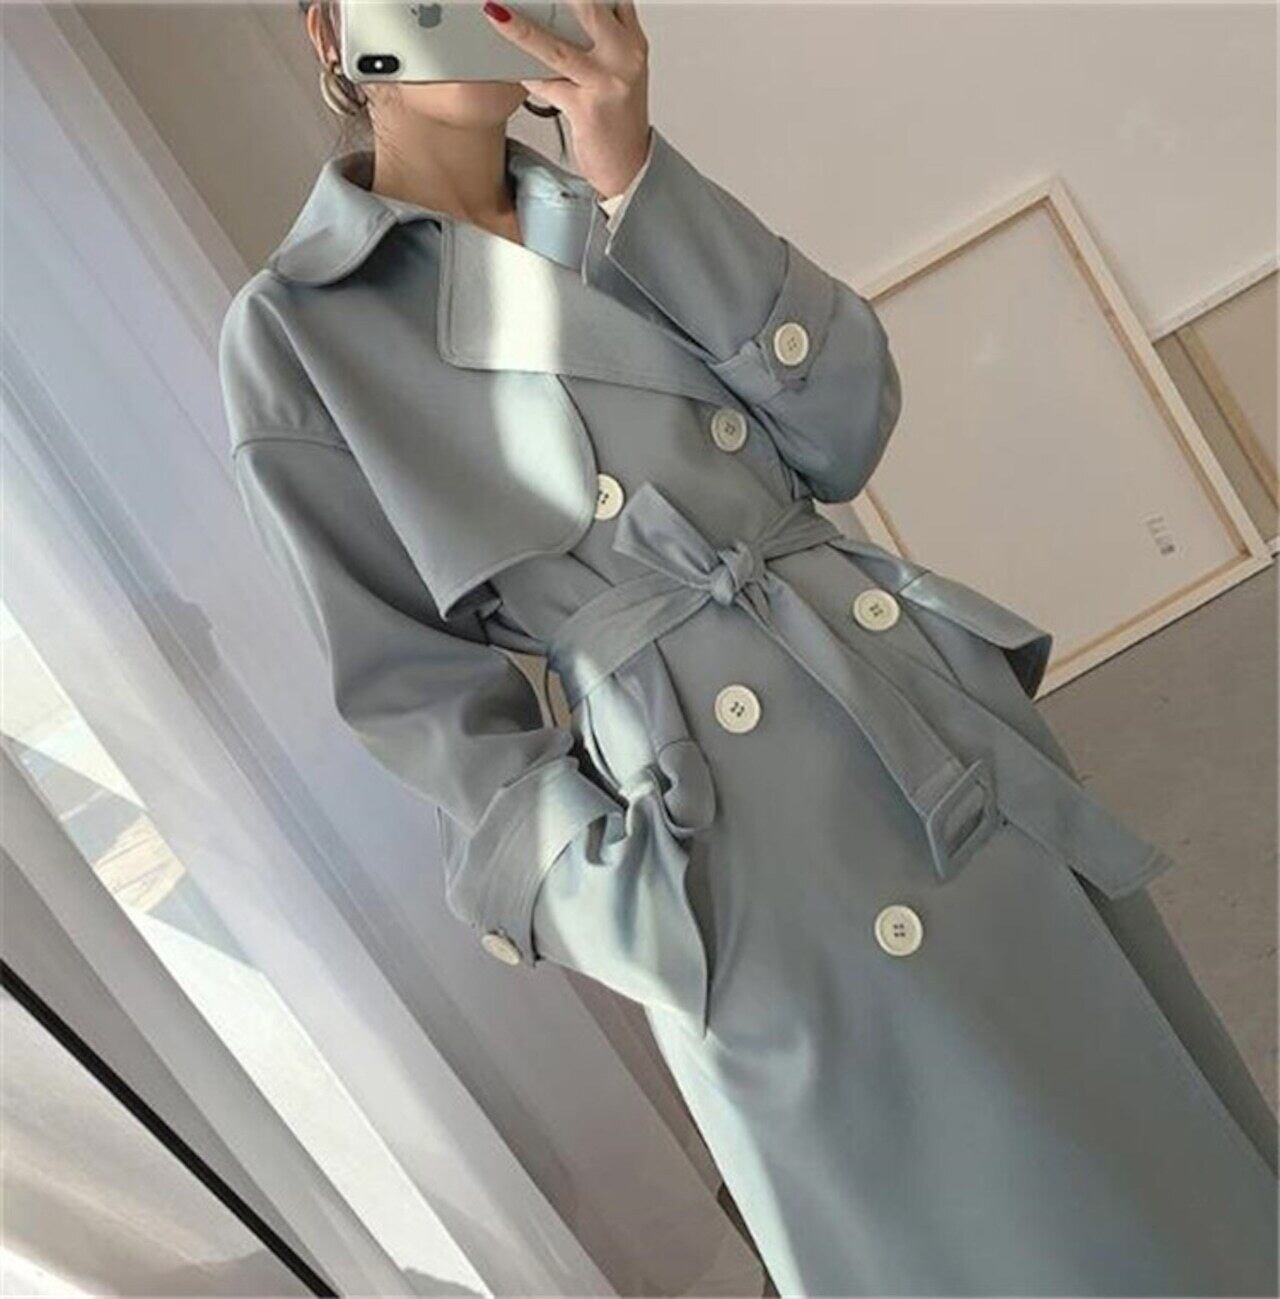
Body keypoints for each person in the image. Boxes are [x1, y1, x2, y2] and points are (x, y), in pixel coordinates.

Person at [218, 1, 1279, 1292]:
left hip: (911, 716)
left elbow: (844, 425)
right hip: (723, 841)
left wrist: (633, 162)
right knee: (957, 1234)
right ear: (332, 31)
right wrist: (630, 906)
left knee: (1154, 1162)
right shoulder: (299, 327)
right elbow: (412, 693)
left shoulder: (614, 201)